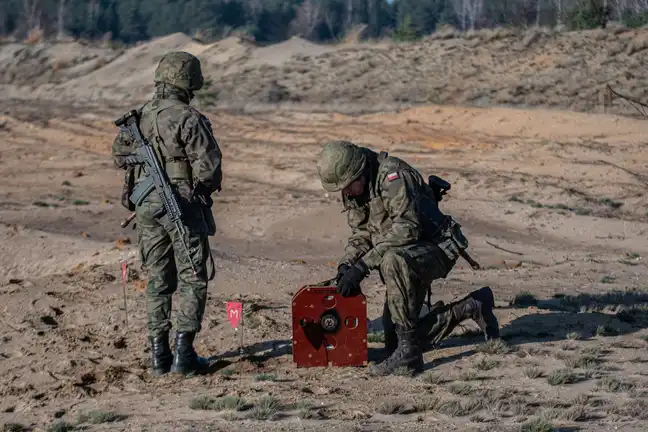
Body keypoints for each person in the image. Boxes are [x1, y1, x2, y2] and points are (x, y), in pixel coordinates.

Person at [315, 140, 499, 376]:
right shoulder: (355, 187)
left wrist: (363, 266)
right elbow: (362, 233)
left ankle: (409, 356)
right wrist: (347, 264)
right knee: (397, 341)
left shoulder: (395, 177)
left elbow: (407, 229)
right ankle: (470, 307)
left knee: (392, 259)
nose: (346, 193)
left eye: (348, 186)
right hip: (405, 257)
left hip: (435, 249)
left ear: (359, 172)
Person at [111, 51, 223, 377]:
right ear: (190, 82)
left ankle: (159, 354)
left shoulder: (141, 115)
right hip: (181, 203)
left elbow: (119, 155)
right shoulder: (188, 118)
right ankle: (183, 355)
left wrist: (145, 162)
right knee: (192, 277)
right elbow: (211, 169)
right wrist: (197, 192)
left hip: (147, 205)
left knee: (158, 281)